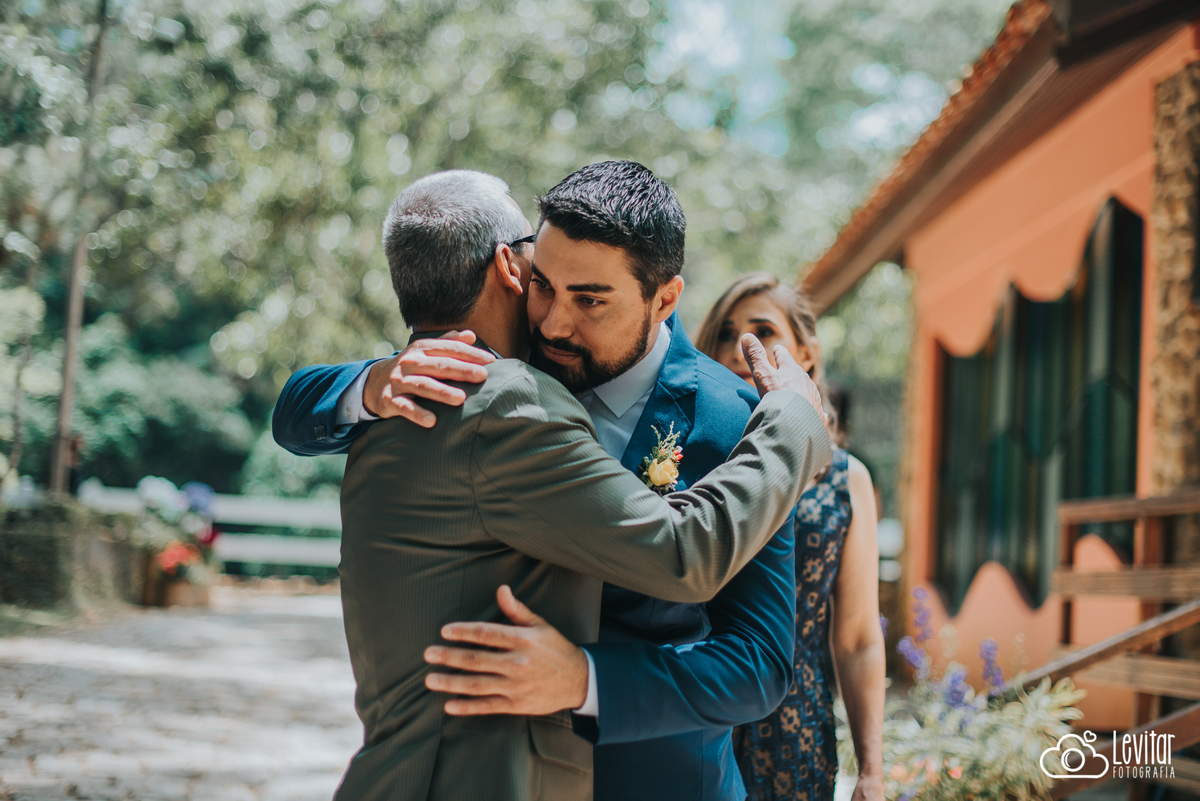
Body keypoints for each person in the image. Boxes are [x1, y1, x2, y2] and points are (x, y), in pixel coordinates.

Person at [273, 162, 820, 801]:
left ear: (664, 299)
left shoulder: (741, 423)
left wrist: (588, 681)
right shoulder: (490, 372)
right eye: (542, 286)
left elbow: (759, 662)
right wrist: (369, 381)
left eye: (590, 300)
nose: (556, 323)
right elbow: (298, 409)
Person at [695, 273, 885, 801]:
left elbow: (857, 638)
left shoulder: (847, 480)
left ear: (806, 352)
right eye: (726, 332)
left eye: (763, 330)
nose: (742, 345)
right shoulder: (687, 460)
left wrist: (872, 771)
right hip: (694, 714)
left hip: (796, 734)